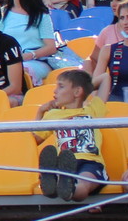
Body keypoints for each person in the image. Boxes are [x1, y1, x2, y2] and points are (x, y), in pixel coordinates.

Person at [37, 69, 107, 203]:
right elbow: (34, 139)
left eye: (61, 86)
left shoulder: (93, 110)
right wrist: (40, 112)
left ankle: (69, 188)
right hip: (64, 162)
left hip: (90, 162)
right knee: (65, 171)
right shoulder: (53, 115)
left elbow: (105, 78)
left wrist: (85, 87)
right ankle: (53, 181)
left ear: (77, 91)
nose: (55, 91)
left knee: (84, 182)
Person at [0, 0, 65, 85]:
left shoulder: (40, 15)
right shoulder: (3, 13)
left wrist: (28, 56)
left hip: (35, 61)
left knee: (19, 70)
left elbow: (51, 47)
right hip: (8, 61)